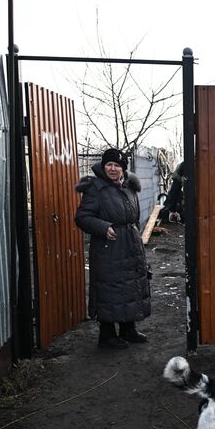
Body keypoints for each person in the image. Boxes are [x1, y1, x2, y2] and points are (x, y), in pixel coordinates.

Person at [75, 148, 151, 349]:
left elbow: (134, 218)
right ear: (103, 166)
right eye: (109, 164)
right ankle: (107, 336)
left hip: (130, 244)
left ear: (123, 169)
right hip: (108, 247)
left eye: (117, 165)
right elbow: (82, 218)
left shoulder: (130, 188)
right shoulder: (95, 189)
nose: (113, 168)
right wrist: (103, 227)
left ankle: (128, 330)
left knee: (130, 286)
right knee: (109, 289)